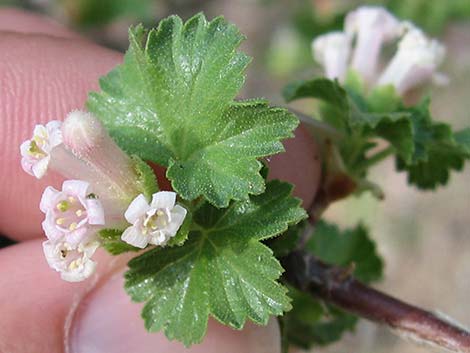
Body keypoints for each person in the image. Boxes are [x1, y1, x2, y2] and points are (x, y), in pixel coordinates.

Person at [0, 8, 321, 353]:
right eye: (150, 220)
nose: (152, 221)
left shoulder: (136, 206)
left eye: (152, 219)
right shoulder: (108, 213)